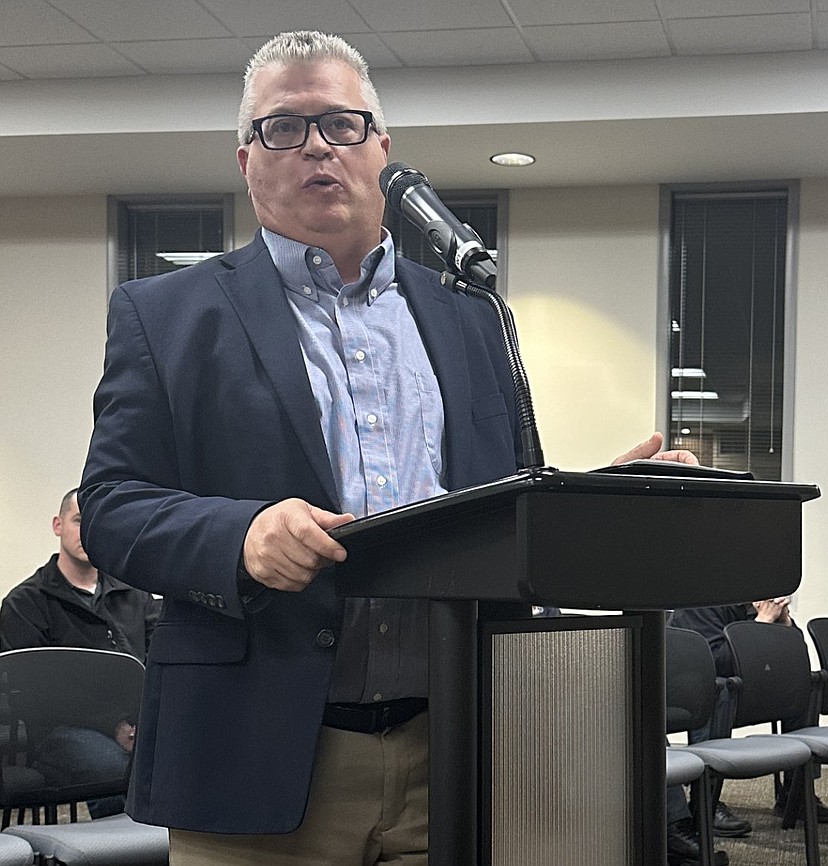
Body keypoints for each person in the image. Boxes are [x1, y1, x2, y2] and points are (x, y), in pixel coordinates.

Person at [78, 30, 695, 866]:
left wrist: (595, 498)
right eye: (283, 128)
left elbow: (502, 499)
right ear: (246, 159)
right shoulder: (165, 315)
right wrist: (239, 535)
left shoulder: (472, 315)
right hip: (258, 751)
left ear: (382, 150)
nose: (317, 148)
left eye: (341, 124)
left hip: (457, 740)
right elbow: (112, 507)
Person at [0, 488, 159, 817]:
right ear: (58, 526)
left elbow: (157, 663)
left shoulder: (134, 594)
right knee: (125, 770)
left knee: (185, 757)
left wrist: (143, 722)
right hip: (61, 732)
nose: (88, 532)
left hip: (138, 725)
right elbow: (36, 695)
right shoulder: (25, 603)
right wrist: (113, 726)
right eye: (78, 521)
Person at [668, 600, 828, 832]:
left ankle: (795, 794)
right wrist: (761, 624)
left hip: (745, 690)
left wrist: (784, 624)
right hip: (699, 692)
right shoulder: (703, 602)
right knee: (718, 690)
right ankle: (705, 803)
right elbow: (713, 662)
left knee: (804, 686)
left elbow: (796, 660)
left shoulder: (759, 603)